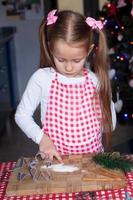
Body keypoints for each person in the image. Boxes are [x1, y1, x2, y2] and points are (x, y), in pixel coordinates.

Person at [15, 9, 116, 162]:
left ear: (88, 51)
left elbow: (109, 125)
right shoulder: (42, 79)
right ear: (51, 48)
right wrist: (42, 139)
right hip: (56, 162)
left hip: (92, 164)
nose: (69, 68)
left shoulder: (94, 81)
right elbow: (21, 115)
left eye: (76, 60)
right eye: (61, 60)